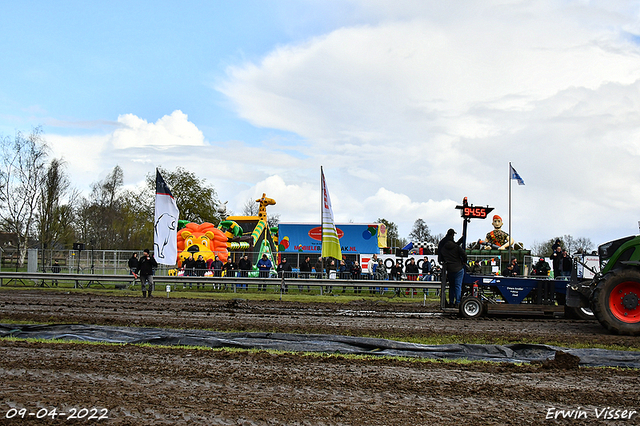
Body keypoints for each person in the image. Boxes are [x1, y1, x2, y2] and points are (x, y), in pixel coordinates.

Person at [438, 228, 466, 307]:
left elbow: (440, 256)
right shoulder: (455, 246)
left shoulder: (443, 246)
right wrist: (464, 261)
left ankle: (451, 302)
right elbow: (463, 253)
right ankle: (457, 302)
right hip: (458, 268)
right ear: (453, 235)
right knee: (458, 286)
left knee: (452, 286)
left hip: (449, 268)